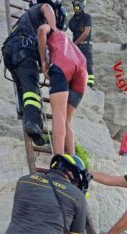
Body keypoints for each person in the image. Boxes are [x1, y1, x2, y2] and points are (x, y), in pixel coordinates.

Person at [2, 0, 65, 147]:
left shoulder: (29, 17)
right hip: (23, 49)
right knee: (31, 90)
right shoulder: (46, 7)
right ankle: (33, 124)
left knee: (23, 87)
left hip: (10, 50)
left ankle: (25, 114)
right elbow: (49, 26)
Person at [37, 23, 88, 155]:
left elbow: (42, 30)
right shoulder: (65, 37)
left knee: (58, 114)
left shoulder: (50, 28)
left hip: (62, 63)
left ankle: (59, 157)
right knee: (66, 121)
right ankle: (72, 159)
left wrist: (43, 62)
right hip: (82, 68)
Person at [69, 0, 95, 87]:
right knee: (76, 65)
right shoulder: (71, 20)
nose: (76, 8)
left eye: (78, 5)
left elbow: (86, 33)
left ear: (82, 6)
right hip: (76, 46)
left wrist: (74, 44)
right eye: (75, 5)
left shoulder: (87, 17)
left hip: (85, 45)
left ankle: (90, 85)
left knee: (88, 64)